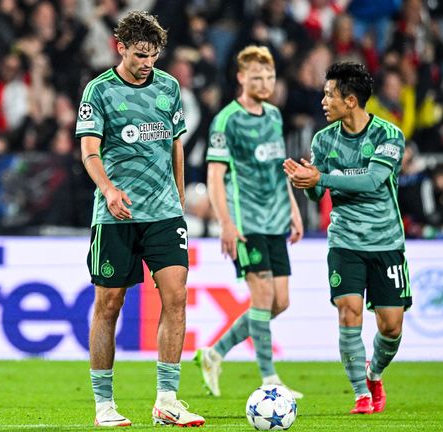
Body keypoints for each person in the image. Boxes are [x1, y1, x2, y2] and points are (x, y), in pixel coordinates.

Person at [75, 10, 205, 428]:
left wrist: (180, 196)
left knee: (177, 295)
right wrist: (109, 190)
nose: (147, 62)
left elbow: (176, 146)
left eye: (153, 55)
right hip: (116, 214)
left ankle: (167, 399)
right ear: (121, 48)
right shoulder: (99, 92)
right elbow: (90, 151)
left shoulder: (169, 88)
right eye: (139, 54)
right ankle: (103, 404)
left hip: (164, 212)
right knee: (109, 304)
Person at [283, 62, 412, 415]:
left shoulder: (388, 135)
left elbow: (372, 181)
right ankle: (360, 394)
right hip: (344, 241)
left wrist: (321, 178)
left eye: (329, 95)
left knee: (391, 326)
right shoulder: (323, 140)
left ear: (351, 100)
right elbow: (316, 195)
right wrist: (306, 182)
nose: (323, 101)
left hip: (386, 244)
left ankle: (374, 373)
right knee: (349, 312)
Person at [193, 46, 304, 399]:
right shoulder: (227, 120)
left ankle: (214, 353)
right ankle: (270, 380)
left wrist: (294, 209)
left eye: (269, 77)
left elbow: (278, 167)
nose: (265, 82)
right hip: (246, 223)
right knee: (263, 296)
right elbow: (214, 176)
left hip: (276, 219)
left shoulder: (273, 115)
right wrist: (225, 223)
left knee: (279, 302)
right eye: (257, 77)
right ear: (241, 78)